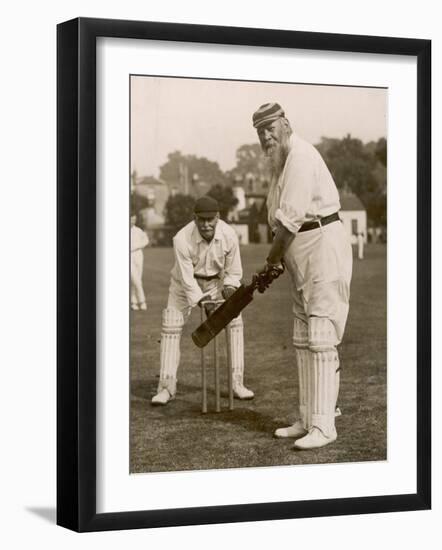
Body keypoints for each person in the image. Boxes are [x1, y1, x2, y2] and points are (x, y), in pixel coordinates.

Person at [252, 102, 352, 449]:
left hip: (322, 246)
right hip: (300, 254)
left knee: (321, 336)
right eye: (260, 130)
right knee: (301, 336)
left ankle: (325, 426)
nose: (266, 135)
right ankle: (308, 417)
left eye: (271, 127)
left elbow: (290, 220)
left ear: (286, 123)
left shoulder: (301, 157)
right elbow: (278, 219)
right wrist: (280, 260)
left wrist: (270, 261)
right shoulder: (279, 164)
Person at [151, 196, 254, 405]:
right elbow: (188, 280)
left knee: (235, 322)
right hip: (183, 286)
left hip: (216, 283)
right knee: (171, 324)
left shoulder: (229, 235)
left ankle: (237, 383)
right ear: (194, 218)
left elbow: (234, 271)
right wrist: (200, 301)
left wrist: (230, 287)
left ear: (218, 217)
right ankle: (166, 387)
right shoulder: (181, 238)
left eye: (211, 220)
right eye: (201, 220)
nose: (206, 225)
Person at [131, 212, 149, 311]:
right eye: (131, 219)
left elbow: (146, 240)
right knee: (135, 280)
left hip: (138, 255)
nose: (133, 221)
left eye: (134, 219)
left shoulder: (138, 230)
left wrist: (137, 246)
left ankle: (133, 302)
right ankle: (142, 301)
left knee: (137, 279)